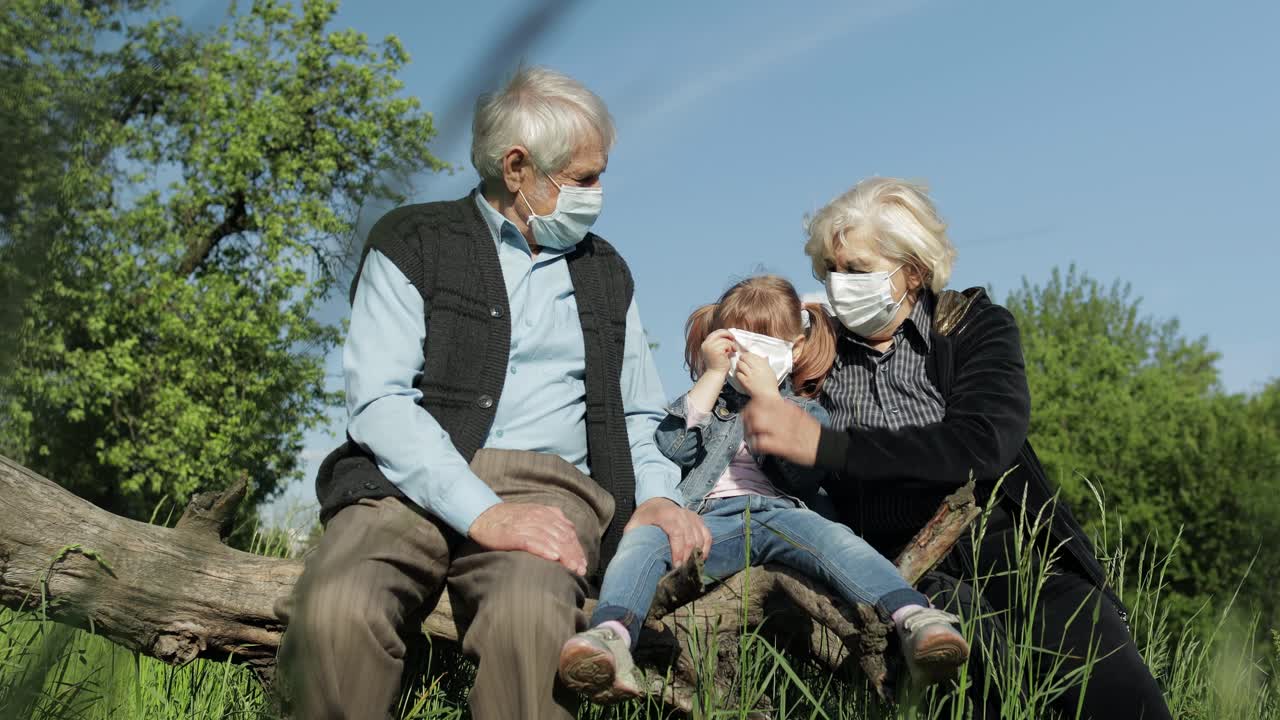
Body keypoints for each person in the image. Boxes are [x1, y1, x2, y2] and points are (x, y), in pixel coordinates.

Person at [275, 66, 711, 720]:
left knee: (530, 619)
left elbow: (639, 410)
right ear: (517, 168)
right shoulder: (413, 241)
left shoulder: (605, 272)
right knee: (339, 606)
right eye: (585, 178)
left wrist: (656, 498)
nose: (600, 192)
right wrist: (482, 511)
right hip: (403, 480)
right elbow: (380, 403)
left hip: (548, 490)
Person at [741, 177, 1173, 719]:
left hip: (1016, 552)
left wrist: (831, 447)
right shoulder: (817, 352)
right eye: (830, 270)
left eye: (857, 270)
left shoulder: (973, 327)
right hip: (908, 574)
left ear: (913, 271)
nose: (838, 284)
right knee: (985, 696)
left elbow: (982, 443)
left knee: (1120, 698)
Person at [557, 275, 969, 703]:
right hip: (707, 519)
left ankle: (914, 617)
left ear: (793, 349)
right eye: (739, 345)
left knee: (838, 541)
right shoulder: (710, 403)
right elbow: (672, 446)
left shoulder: (806, 412)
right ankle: (611, 634)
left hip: (780, 514)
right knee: (645, 538)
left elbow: (803, 480)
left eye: (765, 344)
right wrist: (713, 375)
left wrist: (771, 403)